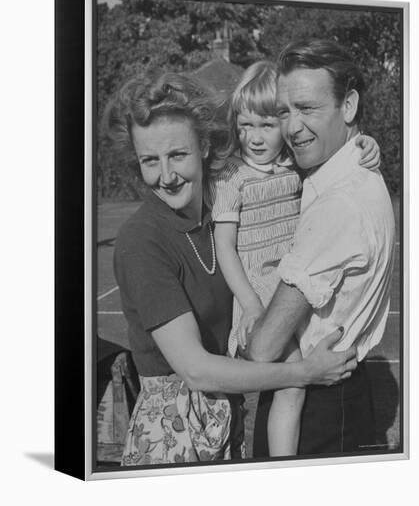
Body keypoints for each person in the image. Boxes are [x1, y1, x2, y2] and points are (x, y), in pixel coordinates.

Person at [102, 71, 358, 466]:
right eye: (149, 161)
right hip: (173, 438)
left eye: (178, 155)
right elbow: (198, 371)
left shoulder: (221, 217)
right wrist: (303, 373)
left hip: (226, 425)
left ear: (204, 145)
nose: (166, 176)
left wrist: (360, 144)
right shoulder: (142, 242)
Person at [209, 60, 380, 457]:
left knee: (293, 383)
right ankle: (282, 469)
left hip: (295, 284)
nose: (254, 136)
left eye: (267, 125)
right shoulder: (230, 178)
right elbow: (225, 248)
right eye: (245, 125)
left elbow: (338, 158)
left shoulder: (294, 165)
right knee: (290, 384)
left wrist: (366, 143)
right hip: (258, 292)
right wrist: (251, 303)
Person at [244, 39, 396, 457]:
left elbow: (263, 349)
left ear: (348, 106)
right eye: (283, 111)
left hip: (318, 405)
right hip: (337, 393)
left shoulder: (339, 203)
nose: (292, 127)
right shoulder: (350, 175)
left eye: (307, 108)